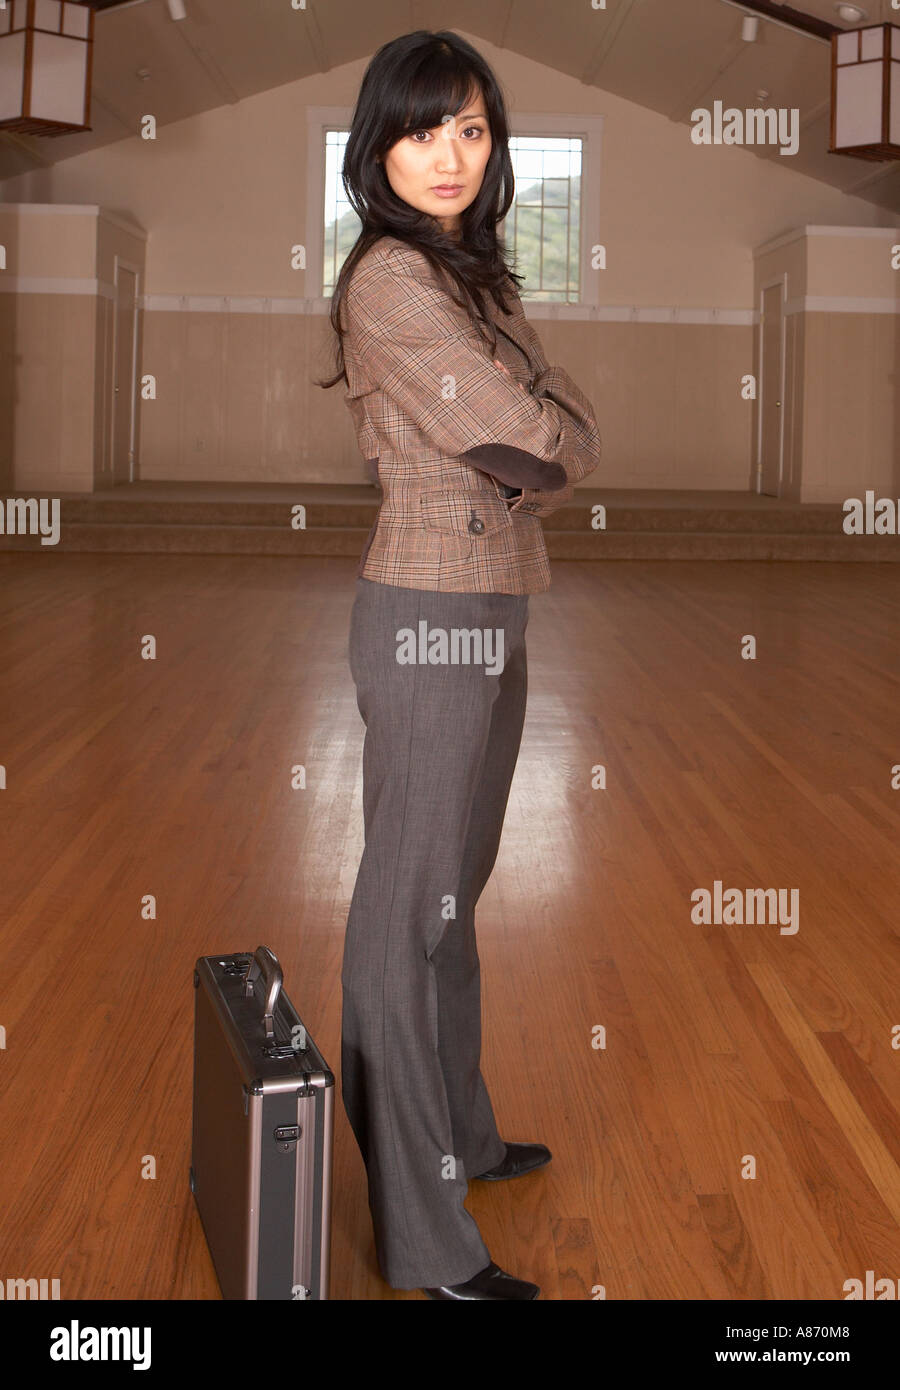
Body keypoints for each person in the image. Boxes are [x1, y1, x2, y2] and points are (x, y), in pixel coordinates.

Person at [315, 28, 602, 1300]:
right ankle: (426, 1239)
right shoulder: (387, 278)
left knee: (453, 901)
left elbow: (553, 426)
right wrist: (545, 438)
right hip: (429, 604)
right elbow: (522, 433)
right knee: (404, 911)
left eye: (474, 130)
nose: (452, 153)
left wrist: (547, 436)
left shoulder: (471, 276)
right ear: (380, 144)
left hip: (500, 602)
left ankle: (464, 1141)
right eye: (427, 128)